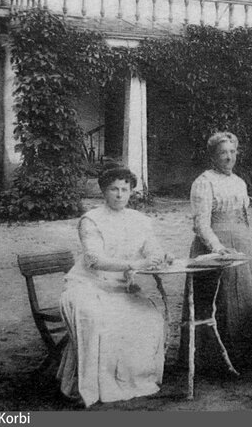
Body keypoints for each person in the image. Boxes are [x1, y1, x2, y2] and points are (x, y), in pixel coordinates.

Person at [57, 167, 170, 407]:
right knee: (96, 317)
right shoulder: (91, 220)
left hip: (120, 287)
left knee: (149, 316)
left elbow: (152, 248)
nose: (120, 195)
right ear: (103, 191)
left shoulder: (139, 220)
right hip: (87, 285)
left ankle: (133, 379)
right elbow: (94, 260)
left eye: (125, 189)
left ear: (131, 192)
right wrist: (135, 263)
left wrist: (158, 256)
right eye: (114, 189)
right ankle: (96, 383)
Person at [179, 131, 252, 373]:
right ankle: (212, 361)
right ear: (213, 156)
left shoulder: (238, 181)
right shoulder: (204, 182)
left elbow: (244, 218)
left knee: (242, 298)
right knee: (219, 299)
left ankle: (244, 359)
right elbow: (201, 224)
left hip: (240, 246)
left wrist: (246, 244)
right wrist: (218, 248)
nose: (228, 157)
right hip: (214, 246)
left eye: (232, 152)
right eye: (222, 153)